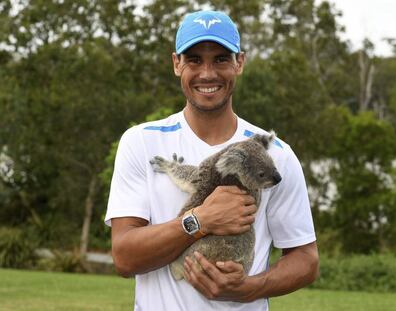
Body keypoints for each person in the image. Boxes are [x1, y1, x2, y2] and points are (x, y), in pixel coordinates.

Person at [105, 10, 319, 311]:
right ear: (176, 63)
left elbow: (306, 260)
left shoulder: (276, 155)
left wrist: (247, 289)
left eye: (221, 58)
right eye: (194, 59)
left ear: (239, 63)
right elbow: (124, 258)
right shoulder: (141, 142)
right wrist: (200, 220)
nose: (207, 73)